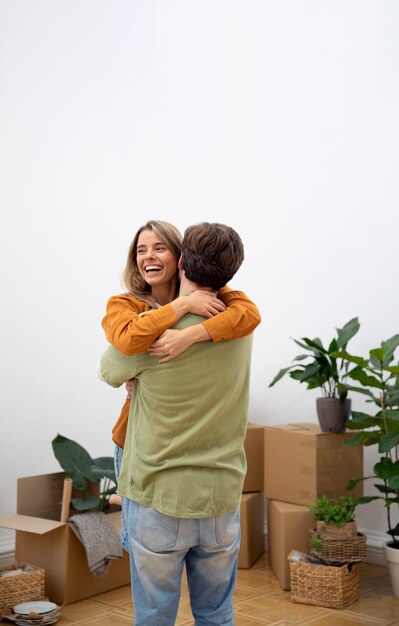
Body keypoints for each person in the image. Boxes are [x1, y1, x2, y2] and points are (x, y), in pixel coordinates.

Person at [100, 222, 256, 626]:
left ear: (181, 260)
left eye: (159, 249)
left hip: (160, 496)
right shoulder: (238, 325)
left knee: (154, 615)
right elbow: (250, 312)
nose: (149, 257)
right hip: (220, 497)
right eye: (141, 249)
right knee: (217, 613)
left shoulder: (149, 338)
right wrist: (188, 315)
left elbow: (109, 367)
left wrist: (182, 332)